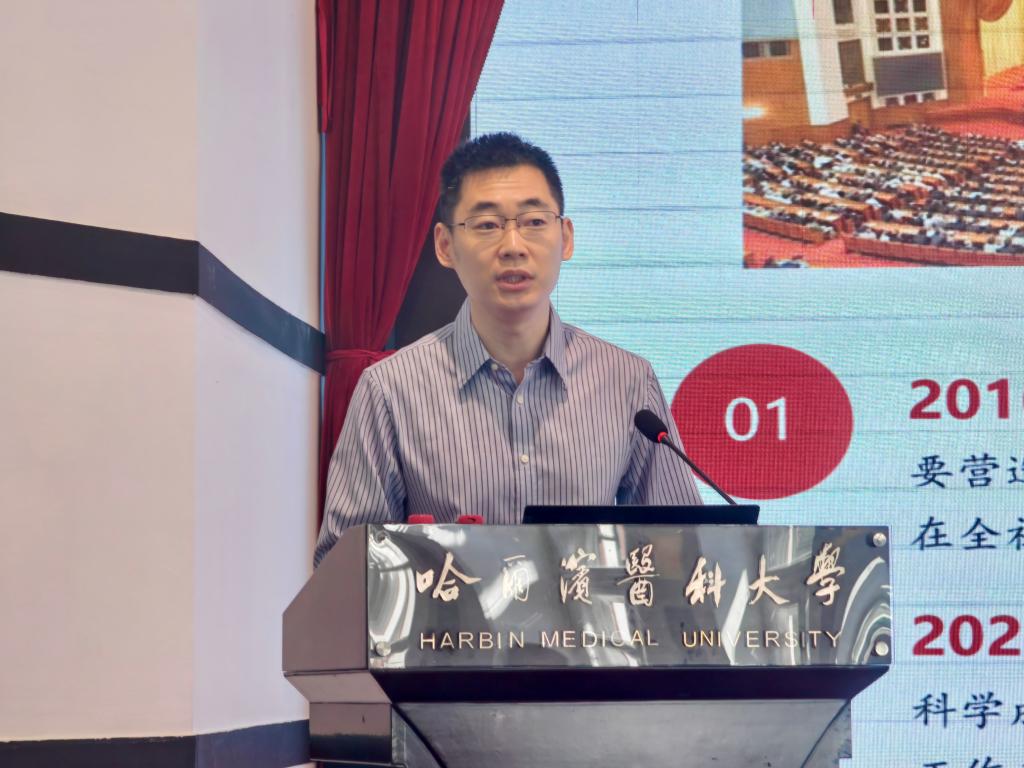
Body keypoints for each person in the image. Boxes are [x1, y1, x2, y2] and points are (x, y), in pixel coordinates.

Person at [313, 133, 702, 566]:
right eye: (486, 225)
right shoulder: (390, 388)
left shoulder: (628, 382)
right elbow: (342, 566)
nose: (513, 246)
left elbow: (682, 552)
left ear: (565, 237)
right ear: (445, 246)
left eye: (534, 221)